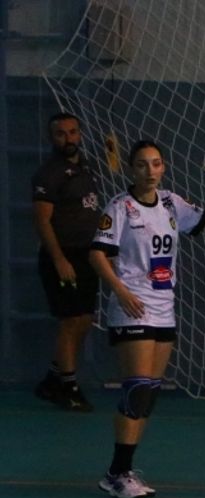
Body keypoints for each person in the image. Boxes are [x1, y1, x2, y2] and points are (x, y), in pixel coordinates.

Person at [89, 141, 205, 498]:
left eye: (155, 164)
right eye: (141, 164)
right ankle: (118, 473)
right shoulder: (120, 207)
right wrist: (120, 290)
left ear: (163, 167)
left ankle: (121, 470)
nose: (149, 171)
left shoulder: (170, 203)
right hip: (134, 307)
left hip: (164, 307)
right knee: (136, 389)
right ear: (131, 169)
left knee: (148, 394)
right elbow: (97, 254)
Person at [32, 112, 102, 411]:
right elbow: (42, 221)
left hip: (87, 256)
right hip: (62, 257)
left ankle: (52, 379)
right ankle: (68, 387)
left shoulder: (86, 167)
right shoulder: (48, 175)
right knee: (70, 321)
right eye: (61, 133)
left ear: (80, 135)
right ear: (52, 138)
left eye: (73, 132)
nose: (68, 138)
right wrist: (60, 260)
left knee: (84, 319)